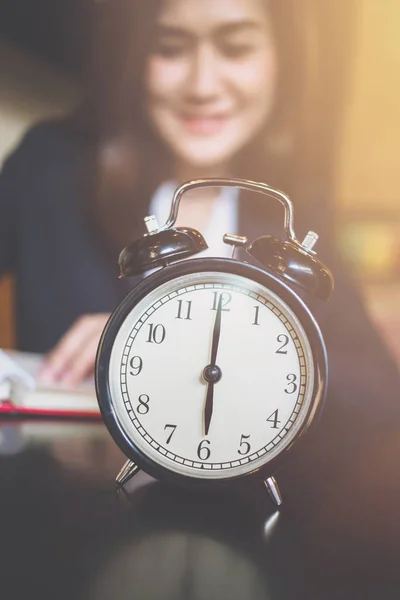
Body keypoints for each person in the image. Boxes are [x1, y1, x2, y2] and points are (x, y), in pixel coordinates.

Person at [0, 0, 398, 450]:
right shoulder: (52, 166)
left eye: (236, 48)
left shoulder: (296, 210)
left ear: (279, 59)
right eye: (169, 49)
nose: (203, 85)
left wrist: (181, 337)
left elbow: (381, 392)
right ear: (133, 58)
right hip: (73, 494)